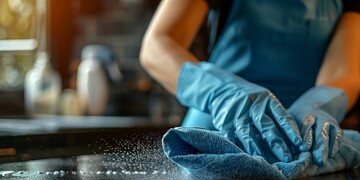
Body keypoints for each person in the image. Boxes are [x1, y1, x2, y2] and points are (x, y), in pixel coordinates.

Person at [140, 0, 360, 166]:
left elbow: (346, 67)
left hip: (302, 138)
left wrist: (318, 104)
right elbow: (157, 45)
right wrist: (223, 93)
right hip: (217, 126)